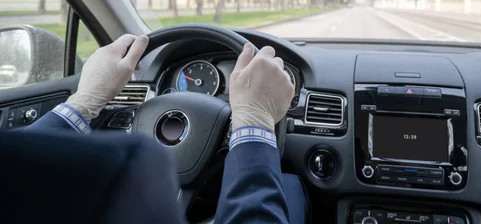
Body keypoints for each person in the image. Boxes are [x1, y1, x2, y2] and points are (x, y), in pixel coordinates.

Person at [4, 34, 306, 223]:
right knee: (291, 189)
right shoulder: (137, 161)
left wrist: (84, 101)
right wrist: (254, 118)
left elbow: (19, 182)